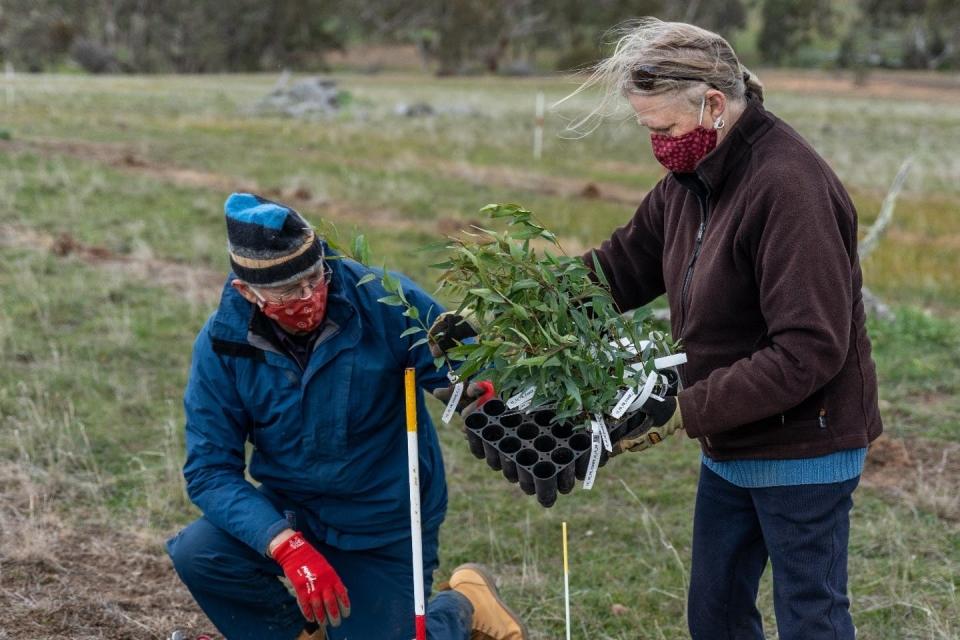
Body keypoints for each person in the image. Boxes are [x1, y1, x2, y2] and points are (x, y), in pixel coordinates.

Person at [572, 19, 882, 640]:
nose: (658, 145)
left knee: (810, 619)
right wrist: (518, 311)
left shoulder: (790, 188)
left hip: (805, 449)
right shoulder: (693, 179)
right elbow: (622, 266)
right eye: (648, 130)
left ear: (714, 104)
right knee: (715, 616)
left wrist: (680, 412)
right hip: (731, 442)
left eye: (665, 129)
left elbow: (809, 350)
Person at [166, 193, 529, 640]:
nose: (307, 298)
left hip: (384, 519)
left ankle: (464, 604)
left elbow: (459, 363)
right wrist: (284, 543)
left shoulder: (380, 299)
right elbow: (208, 472)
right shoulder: (223, 345)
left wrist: (476, 386)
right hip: (293, 509)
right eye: (286, 292)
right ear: (247, 292)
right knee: (199, 552)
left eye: (313, 279)